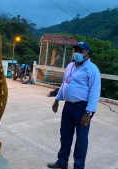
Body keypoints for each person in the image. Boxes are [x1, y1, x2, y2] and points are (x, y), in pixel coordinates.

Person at [47, 41, 101, 169]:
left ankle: (78, 166)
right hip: (68, 106)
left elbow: (94, 92)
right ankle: (62, 161)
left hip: (82, 108)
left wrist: (88, 113)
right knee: (65, 135)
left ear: (87, 53)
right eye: (75, 50)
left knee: (81, 139)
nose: (77, 53)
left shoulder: (92, 69)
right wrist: (57, 99)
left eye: (80, 51)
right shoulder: (70, 66)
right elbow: (64, 83)